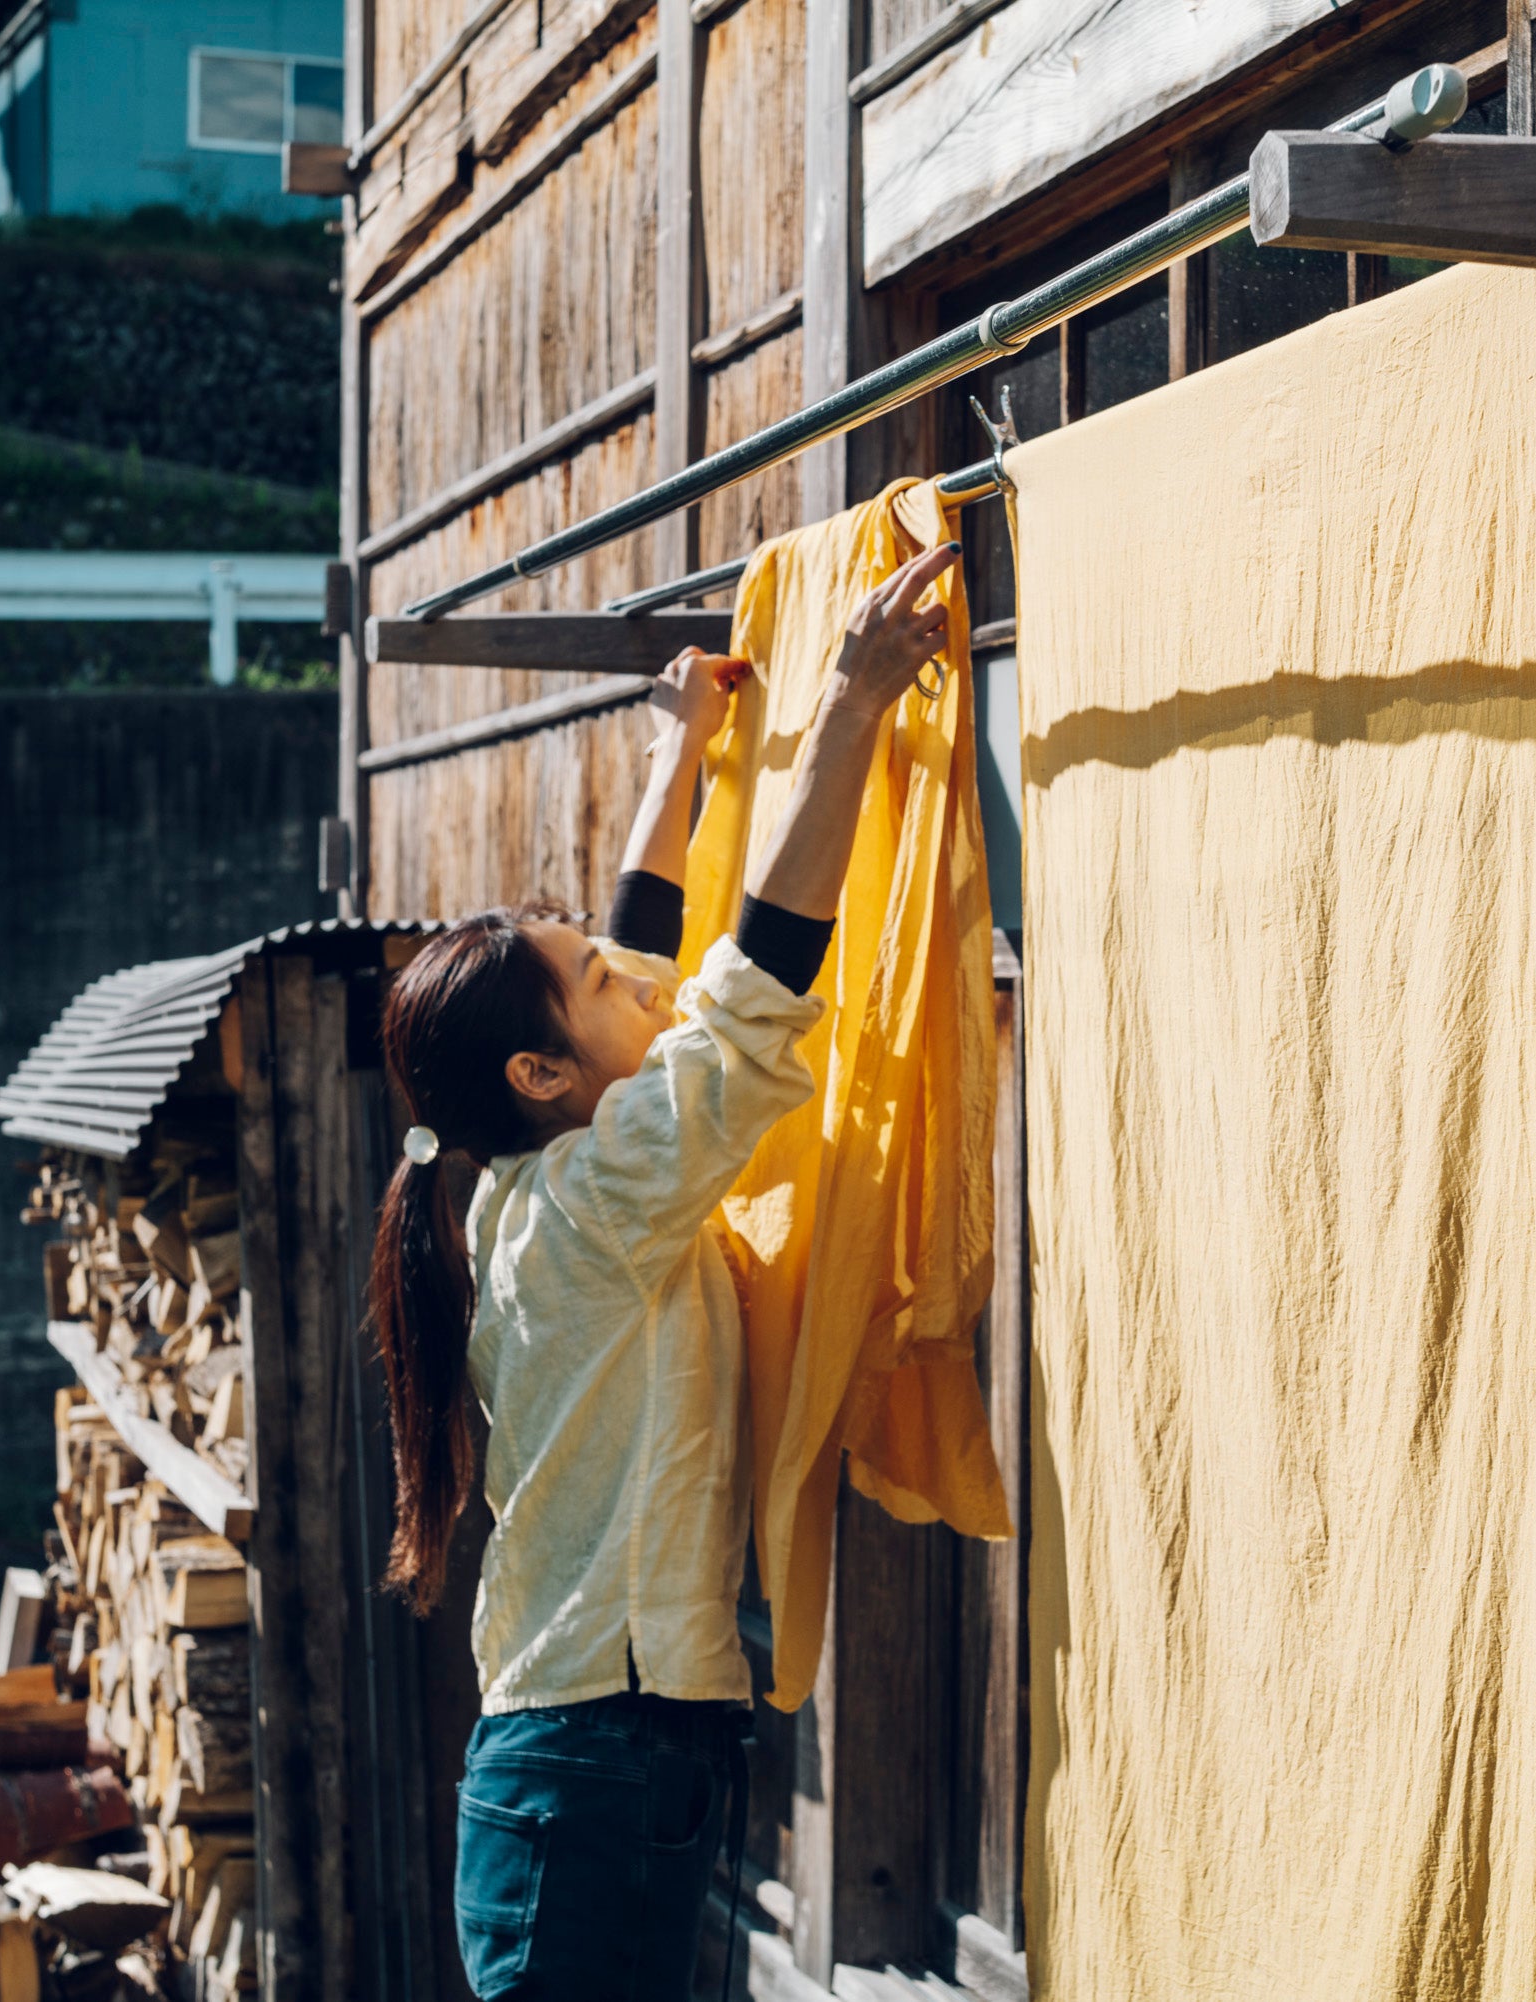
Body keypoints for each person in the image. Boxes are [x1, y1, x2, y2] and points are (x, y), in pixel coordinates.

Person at [365, 540, 963, 2002]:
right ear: (541, 1072)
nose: (643, 978)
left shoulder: (535, 1179)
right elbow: (746, 1008)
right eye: (597, 987)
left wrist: (680, 754)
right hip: (593, 1768)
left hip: (582, 1759)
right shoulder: (589, 1202)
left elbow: (634, 953)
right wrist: (845, 710)